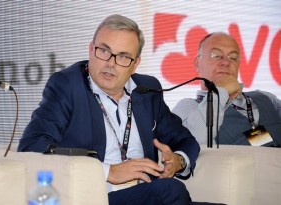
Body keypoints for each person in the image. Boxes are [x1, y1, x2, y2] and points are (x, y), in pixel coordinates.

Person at [18, 14, 222, 205]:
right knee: (170, 190)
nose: (111, 63)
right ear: (90, 49)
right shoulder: (67, 86)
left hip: (146, 194)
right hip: (96, 196)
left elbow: (186, 140)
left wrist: (179, 161)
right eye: (104, 51)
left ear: (135, 65)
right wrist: (108, 172)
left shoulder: (147, 90)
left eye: (124, 56)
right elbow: (32, 145)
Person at [173, 32, 281, 147]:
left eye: (233, 58)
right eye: (216, 55)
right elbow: (192, 148)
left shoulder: (267, 98)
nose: (226, 62)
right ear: (197, 64)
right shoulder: (187, 107)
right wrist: (219, 92)